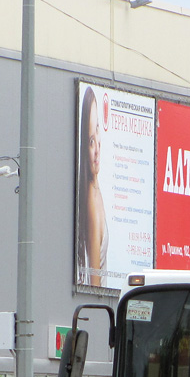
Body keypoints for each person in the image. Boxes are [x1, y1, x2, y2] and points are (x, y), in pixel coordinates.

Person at [77, 86, 108, 287]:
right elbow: (94, 284)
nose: (97, 147)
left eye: (97, 128)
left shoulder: (96, 190)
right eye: (90, 141)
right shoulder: (92, 200)